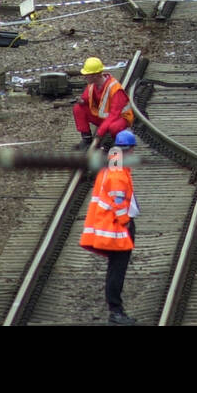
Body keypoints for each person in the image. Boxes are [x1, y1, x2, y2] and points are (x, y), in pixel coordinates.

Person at [79, 129, 140, 326]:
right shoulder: (118, 173)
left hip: (108, 225)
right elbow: (118, 201)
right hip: (115, 228)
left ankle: (116, 310)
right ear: (128, 150)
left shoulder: (112, 166)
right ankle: (116, 311)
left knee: (115, 268)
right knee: (117, 270)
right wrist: (126, 222)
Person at [73, 56, 135, 148]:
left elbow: (114, 115)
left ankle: (115, 141)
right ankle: (87, 139)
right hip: (104, 118)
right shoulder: (92, 85)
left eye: (87, 74)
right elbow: (86, 98)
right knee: (78, 108)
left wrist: (100, 133)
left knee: (114, 127)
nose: (85, 77)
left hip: (119, 118)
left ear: (95, 75)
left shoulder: (115, 89)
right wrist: (82, 101)